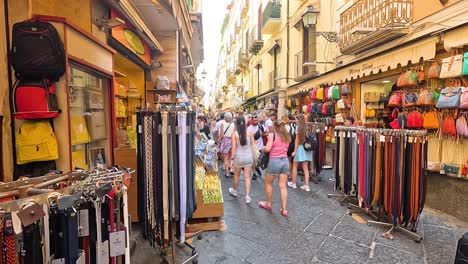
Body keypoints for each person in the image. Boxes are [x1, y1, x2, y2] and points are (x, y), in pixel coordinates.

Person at [258, 120, 291, 217]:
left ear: (275, 127)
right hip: (285, 161)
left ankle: (268, 203)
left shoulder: (273, 135)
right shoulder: (287, 136)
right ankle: (284, 209)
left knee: (269, 183)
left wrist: (263, 148)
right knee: (283, 186)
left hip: (274, 161)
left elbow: (268, 149)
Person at [228, 116, 257, 204]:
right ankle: (247, 196)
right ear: (245, 123)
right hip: (248, 157)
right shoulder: (250, 133)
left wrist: (232, 159)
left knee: (236, 175)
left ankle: (235, 191)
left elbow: (233, 148)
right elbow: (253, 145)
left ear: (236, 124)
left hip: (239, 157)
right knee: (247, 177)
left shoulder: (235, 134)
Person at [288, 114, 312, 192]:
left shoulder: (298, 128)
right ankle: (307, 186)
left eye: (296, 119)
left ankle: (294, 183)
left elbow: (296, 141)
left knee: (295, 166)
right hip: (307, 149)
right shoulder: (307, 127)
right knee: (305, 168)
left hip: (300, 148)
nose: (295, 121)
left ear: (299, 120)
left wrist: (294, 151)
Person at [247, 114, 264, 180]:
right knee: (253, 161)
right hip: (253, 147)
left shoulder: (260, 126)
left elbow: (266, 132)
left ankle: (257, 167)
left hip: (260, 146)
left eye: (257, 120)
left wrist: (263, 134)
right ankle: (254, 173)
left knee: (259, 160)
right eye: (254, 120)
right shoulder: (249, 129)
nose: (256, 121)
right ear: (251, 120)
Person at [219, 112, 235, 178]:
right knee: (232, 156)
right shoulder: (233, 124)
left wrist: (219, 141)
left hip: (225, 141)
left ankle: (227, 173)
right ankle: (231, 168)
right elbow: (234, 134)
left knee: (225, 158)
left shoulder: (222, 124)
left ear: (225, 117)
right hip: (232, 140)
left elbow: (221, 134)